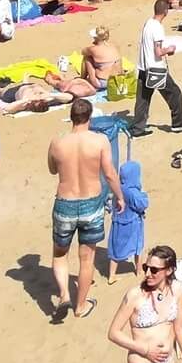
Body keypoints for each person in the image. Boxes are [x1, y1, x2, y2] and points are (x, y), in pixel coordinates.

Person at [50, 96, 125, 322]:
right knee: (87, 259)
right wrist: (119, 196)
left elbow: (53, 169)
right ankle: (80, 305)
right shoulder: (100, 141)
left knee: (60, 253)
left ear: (71, 117)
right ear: (90, 118)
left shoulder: (57, 142)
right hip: (92, 201)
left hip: (65, 201)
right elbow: (110, 174)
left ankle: (64, 294)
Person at [131, 0, 182, 137]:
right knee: (174, 93)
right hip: (155, 69)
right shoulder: (157, 28)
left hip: (143, 67)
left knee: (143, 100)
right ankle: (178, 123)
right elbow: (158, 51)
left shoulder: (148, 23)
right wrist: (169, 50)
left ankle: (138, 128)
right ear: (166, 12)